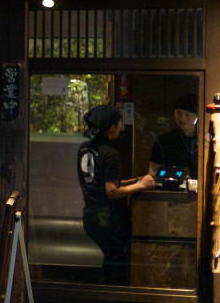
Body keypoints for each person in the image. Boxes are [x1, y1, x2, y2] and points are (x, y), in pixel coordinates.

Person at [77, 104, 155, 284]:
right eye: (120, 123)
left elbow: (99, 181)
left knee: (110, 257)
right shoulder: (110, 153)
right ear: (112, 126)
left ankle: (106, 296)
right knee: (116, 258)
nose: (121, 126)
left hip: (90, 214)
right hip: (107, 217)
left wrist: (132, 182)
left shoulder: (84, 148)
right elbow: (111, 191)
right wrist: (142, 185)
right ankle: (110, 299)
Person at [149, 93, 198, 178]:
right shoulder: (164, 141)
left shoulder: (205, 139)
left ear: (197, 116)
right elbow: (153, 172)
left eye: (187, 114)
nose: (182, 118)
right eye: (179, 113)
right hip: (173, 189)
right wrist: (178, 174)